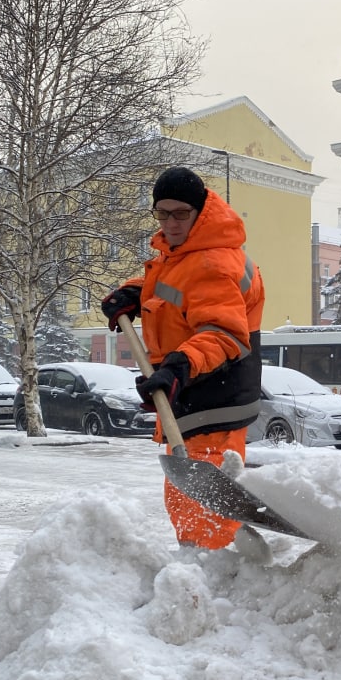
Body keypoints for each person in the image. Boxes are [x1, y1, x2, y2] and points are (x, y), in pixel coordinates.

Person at [102, 165, 265, 549]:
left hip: (213, 393)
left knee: (199, 502)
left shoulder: (212, 262)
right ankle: (214, 558)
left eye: (180, 213)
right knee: (192, 495)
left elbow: (223, 332)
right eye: (162, 213)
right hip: (196, 392)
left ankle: (209, 568)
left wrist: (178, 367)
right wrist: (137, 293)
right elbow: (177, 290)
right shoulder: (185, 254)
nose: (171, 223)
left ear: (200, 211)